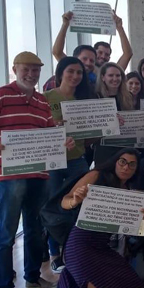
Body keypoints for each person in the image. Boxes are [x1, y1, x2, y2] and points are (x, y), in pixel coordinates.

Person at [0, 52, 75, 288]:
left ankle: (32, 278)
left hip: (38, 173)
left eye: (35, 70)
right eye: (26, 69)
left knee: (34, 228)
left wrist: (62, 142)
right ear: (15, 69)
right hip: (8, 175)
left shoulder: (41, 102)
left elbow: (49, 134)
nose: (31, 74)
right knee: (5, 232)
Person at [19, 149, 144, 288]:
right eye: (122, 162)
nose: (126, 167)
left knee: (134, 284)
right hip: (80, 244)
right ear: (115, 162)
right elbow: (65, 201)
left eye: (132, 165)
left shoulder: (129, 192)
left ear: (136, 169)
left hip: (102, 246)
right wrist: (75, 201)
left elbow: (129, 229)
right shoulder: (97, 175)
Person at [44, 56, 93, 272]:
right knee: (54, 207)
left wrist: (109, 125)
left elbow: (90, 136)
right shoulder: (46, 98)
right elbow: (36, 129)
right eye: (70, 71)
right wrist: (53, 126)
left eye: (79, 72)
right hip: (53, 161)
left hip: (77, 159)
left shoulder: (84, 100)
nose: (75, 76)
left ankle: (74, 250)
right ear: (60, 73)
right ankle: (55, 254)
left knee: (81, 204)